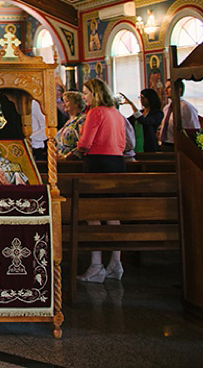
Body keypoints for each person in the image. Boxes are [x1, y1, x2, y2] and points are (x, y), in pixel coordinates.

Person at [75, 78, 127, 284]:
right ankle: (116, 263)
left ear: (95, 94)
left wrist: (77, 150)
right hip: (116, 163)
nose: (84, 97)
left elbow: (85, 143)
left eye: (86, 93)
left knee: (93, 213)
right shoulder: (116, 113)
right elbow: (123, 143)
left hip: (97, 163)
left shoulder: (95, 113)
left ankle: (96, 265)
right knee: (113, 213)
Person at [159, 78, 200, 151]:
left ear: (179, 89)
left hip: (179, 146)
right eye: (166, 88)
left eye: (169, 87)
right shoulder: (167, 108)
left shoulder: (186, 107)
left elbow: (194, 128)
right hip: (165, 144)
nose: (165, 91)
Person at [122, 88, 164, 153]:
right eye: (140, 97)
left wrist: (132, 105)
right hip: (136, 143)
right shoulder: (141, 112)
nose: (141, 100)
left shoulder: (157, 113)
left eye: (143, 97)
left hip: (149, 145)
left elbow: (144, 121)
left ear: (150, 98)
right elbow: (128, 122)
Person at [55, 91, 86, 157]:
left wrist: (68, 157)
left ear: (76, 103)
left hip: (72, 161)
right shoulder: (68, 122)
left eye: (67, 101)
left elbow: (82, 144)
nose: (64, 104)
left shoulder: (82, 120)